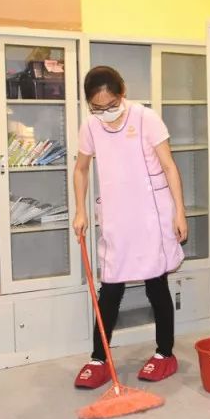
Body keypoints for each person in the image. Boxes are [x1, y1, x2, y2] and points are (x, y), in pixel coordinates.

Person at [72, 66, 187, 389]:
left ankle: (165, 353)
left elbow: (169, 166)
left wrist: (180, 212)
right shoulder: (90, 125)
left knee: (155, 283)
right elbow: (81, 169)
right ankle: (99, 358)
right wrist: (80, 211)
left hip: (151, 214)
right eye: (97, 108)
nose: (105, 113)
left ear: (122, 94)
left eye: (111, 105)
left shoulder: (145, 118)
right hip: (116, 215)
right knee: (111, 286)